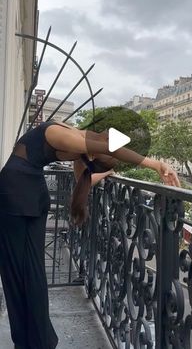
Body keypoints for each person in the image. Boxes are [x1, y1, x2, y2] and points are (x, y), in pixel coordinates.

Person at [0, 120, 180, 349]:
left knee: (18, 270)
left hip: (21, 192)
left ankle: (33, 340)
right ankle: (37, 340)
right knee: (29, 271)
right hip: (25, 193)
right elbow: (111, 147)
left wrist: (108, 172)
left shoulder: (79, 147)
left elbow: (83, 178)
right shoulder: (61, 133)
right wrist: (156, 164)